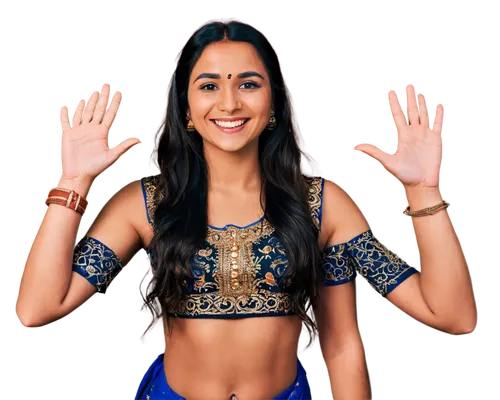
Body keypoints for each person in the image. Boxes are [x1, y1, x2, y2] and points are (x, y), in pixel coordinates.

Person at [14, 17, 478, 400]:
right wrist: (73, 182)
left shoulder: (318, 204)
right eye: (209, 85)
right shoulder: (148, 204)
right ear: (187, 107)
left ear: (273, 101)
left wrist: (423, 189)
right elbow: (36, 307)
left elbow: (441, 318)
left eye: (248, 84)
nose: (229, 102)